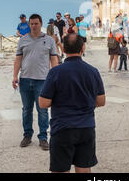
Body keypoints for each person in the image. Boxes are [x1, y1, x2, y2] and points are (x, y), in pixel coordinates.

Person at [39, 34, 105, 173]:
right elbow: (101, 101)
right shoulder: (93, 71)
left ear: (63, 49)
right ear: (83, 48)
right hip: (86, 127)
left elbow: (43, 103)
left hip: (63, 128)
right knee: (84, 169)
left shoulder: (55, 72)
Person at [13, 14, 59, 150]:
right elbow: (18, 60)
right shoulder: (23, 40)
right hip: (25, 79)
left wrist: (56, 77)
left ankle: (43, 137)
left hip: (43, 80)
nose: (33, 26)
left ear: (41, 24)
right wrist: (15, 76)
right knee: (26, 110)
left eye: (36, 24)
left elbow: (54, 59)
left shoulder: (49, 40)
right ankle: (27, 135)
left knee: (43, 110)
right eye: (31, 24)